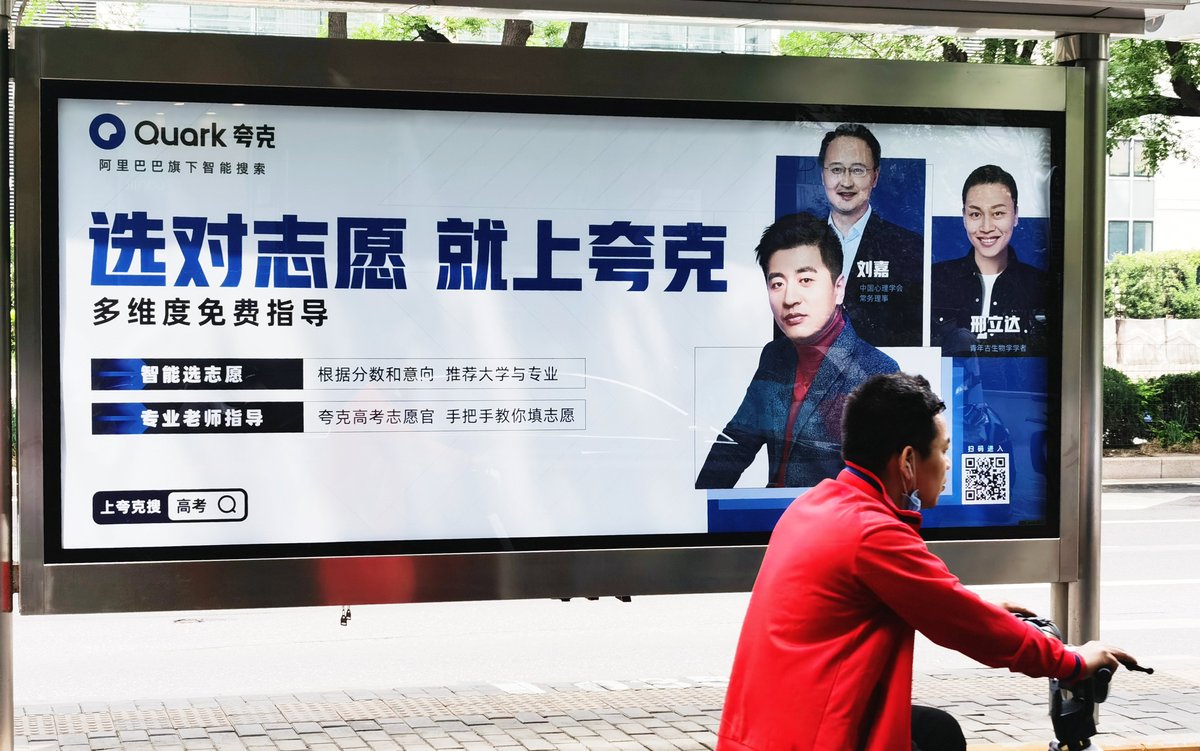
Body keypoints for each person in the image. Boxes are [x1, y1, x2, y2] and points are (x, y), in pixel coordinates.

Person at [717, 372, 1137, 751]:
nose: (948, 463)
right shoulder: (872, 533)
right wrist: (1074, 661)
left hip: (763, 730)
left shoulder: (818, 504)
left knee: (936, 733)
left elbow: (935, 601)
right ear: (907, 461)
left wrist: (981, 610)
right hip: (813, 738)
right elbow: (972, 630)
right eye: (943, 450)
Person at [696, 213, 898, 490]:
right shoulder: (775, 357)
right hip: (773, 525)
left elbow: (880, 488)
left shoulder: (877, 372)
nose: (789, 298)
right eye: (777, 283)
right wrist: (701, 513)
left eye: (805, 280)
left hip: (832, 528)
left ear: (838, 288)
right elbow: (735, 444)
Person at [819, 123, 924, 347]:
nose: (846, 182)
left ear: (875, 176)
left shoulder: (910, 248)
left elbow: (916, 332)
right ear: (823, 175)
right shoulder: (800, 243)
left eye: (858, 170)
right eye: (836, 169)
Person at [931, 164, 1050, 355]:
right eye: (976, 214)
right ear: (964, 217)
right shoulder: (934, 279)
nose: (986, 227)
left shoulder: (1041, 284)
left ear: (1016, 215)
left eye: (998, 213)